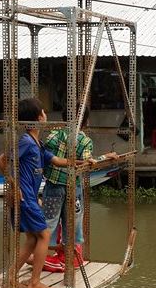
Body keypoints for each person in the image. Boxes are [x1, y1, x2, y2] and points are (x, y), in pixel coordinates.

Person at [0, 97, 81, 288]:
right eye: (43, 112)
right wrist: (14, 185)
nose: (46, 115)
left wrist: (83, 162)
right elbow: (1, 161)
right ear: (37, 118)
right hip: (24, 198)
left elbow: (57, 160)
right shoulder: (26, 141)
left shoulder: (38, 144)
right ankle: (35, 283)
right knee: (44, 235)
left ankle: (10, 279)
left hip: (30, 198)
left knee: (33, 240)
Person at [41, 106, 118, 272]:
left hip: (53, 186)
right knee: (73, 222)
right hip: (73, 188)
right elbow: (87, 165)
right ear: (86, 121)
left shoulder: (53, 135)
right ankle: (70, 257)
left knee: (48, 222)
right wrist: (105, 157)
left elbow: (45, 158)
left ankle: (41, 253)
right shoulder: (84, 141)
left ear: (63, 119)